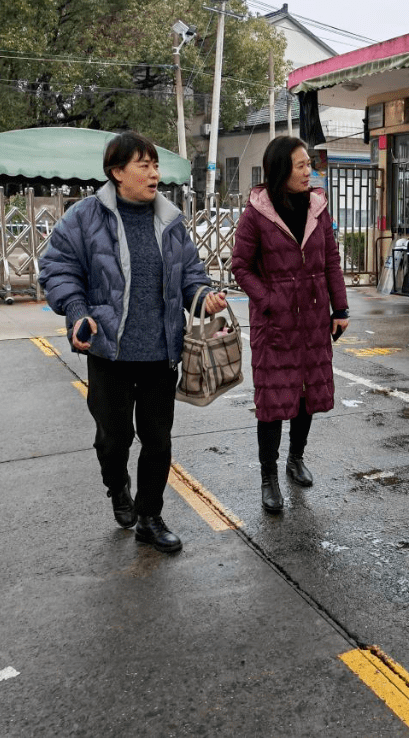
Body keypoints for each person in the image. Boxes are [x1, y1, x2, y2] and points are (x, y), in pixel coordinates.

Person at [38, 130, 226, 553]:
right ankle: (117, 487)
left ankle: (150, 516)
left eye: (156, 165)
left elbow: (192, 276)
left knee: (158, 440)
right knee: (114, 437)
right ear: (117, 172)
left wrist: (204, 298)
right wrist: (76, 312)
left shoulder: (171, 221)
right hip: (110, 351)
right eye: (144, 165)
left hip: (161, 352)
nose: (154, 173)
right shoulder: (84, 218)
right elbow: (57, 269)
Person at [231, 136, 349, 513]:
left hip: (314, 319)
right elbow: (240, 267)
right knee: (272, 400)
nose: (308, 171)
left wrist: (340, 308)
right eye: (300, 165)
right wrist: (269, 301)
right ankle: (268, 476)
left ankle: (295, 458)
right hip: (274, 324)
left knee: (306, 394)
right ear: (281, 170)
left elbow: (331, 259)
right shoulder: (257, 213)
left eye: (308, 164)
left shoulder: (318, 207)